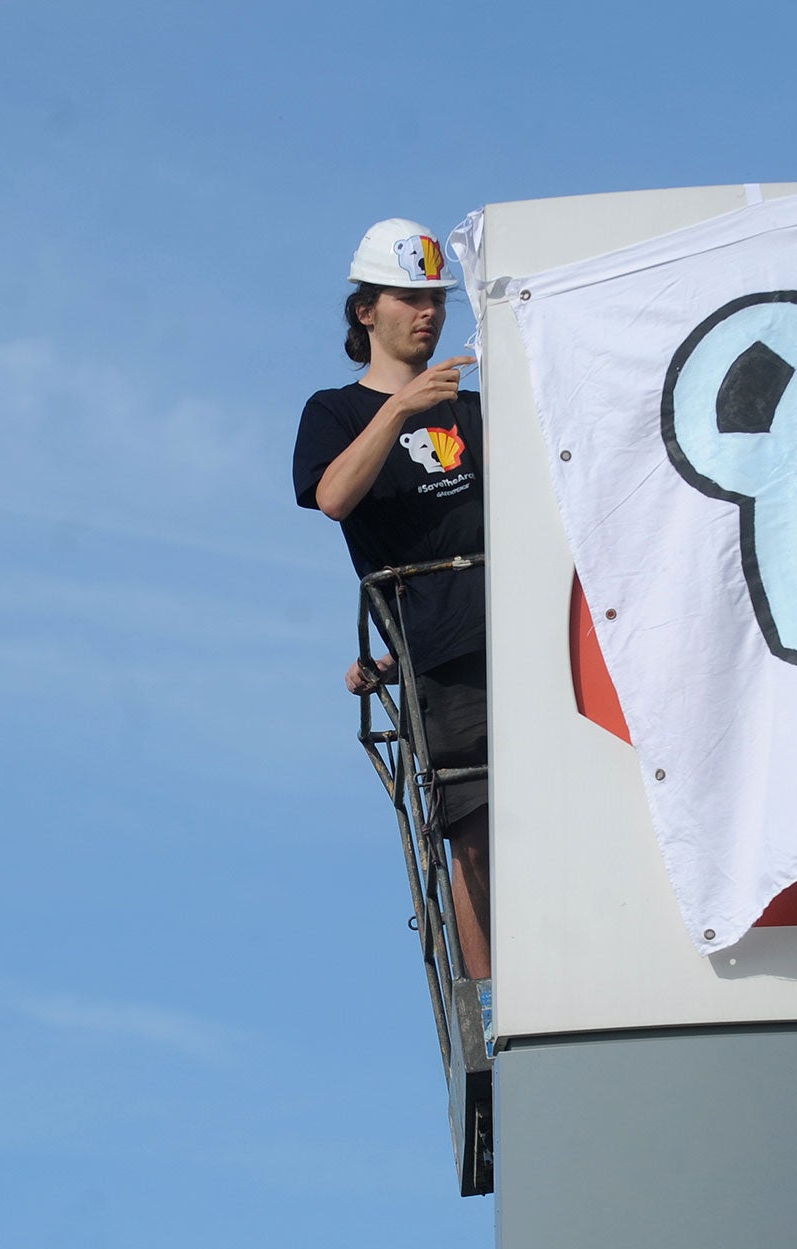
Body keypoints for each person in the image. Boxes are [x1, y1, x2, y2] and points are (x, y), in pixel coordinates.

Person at [292, 218, 490, 981]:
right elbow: (335, 495)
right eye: (408, 297)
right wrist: (401, 410)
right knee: (473, 828)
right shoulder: (335, 413)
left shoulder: (475, 413)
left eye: (436, 298)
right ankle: (490, 1002)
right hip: (439, 655)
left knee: (552, 810)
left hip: (519, 634)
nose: (428, 312)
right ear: (365, 311)